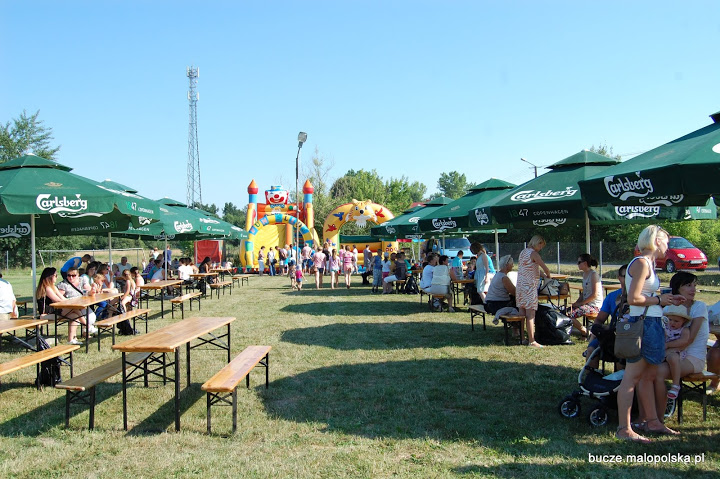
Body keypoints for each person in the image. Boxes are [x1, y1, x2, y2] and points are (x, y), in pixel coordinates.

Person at [616, 225, 685, 443]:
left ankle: (652, 421)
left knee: (649, 376)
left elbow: (644, 295)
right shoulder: (642, 263)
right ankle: (624, 428)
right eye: (666, 241)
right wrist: (659, 300)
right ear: (655, 241)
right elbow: (633, 298)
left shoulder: (648, 263)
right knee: (632, 377)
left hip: (651, 323)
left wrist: (667, 299)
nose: (668, 246)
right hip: (644, 325)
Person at [647, 272, 710, 426]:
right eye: (688, 285)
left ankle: (658, 419)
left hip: (693, 358)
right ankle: (648, 416)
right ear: (677, 288)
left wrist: (666, 347)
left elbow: (688, 339)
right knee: (645, 370)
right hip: (671, 355)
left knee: (658, 372)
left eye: (694, 285)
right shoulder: (668, 307)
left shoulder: (699, 307)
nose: (693, 289)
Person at [582, 264, 629, 370]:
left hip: (630, 338)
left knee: (622, 354)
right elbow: (599, 319)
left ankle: (620, 379)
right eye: (625, 276)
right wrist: (598, 332)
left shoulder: (641, 298)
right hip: (611, 337)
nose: (629, 279)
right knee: (591, 350)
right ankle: (591, 378)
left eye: (632, 276)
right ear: (619, 278)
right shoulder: (612, 296)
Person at [516, 235, 552, 348]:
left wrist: (543, 275)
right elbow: (545, 268)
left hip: (520, 286)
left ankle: (522, 338)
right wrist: (548, 275)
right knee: (530, 314)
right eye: (541, 245)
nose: (541, 248)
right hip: (529, 287)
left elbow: (531, 268)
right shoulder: (534, 254)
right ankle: (532, 341)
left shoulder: (523, 252)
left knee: (522, 314)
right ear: (537, 243)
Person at [51, 267, 96, 344]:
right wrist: (69, 301)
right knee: (77, 314)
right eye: (69, 275)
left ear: (78, 275)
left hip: (80, 306)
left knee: (90, 317)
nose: (71, 277)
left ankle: (78, 335)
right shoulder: (63, 284)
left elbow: (88, 290)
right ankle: (86, 327)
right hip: (66, 308)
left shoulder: (82, 280)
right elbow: (58, 299)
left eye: (73, 275)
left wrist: (92, 290)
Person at [566, 253, 603, 337]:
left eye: (579, 262)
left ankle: (584, 332)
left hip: (594, 306)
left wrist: (580, 303)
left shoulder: (593, 275)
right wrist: (576, 303)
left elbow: (594, 295)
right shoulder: (585, 274)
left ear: (585, 263)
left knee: (570, 315)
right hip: (585, 305)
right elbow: (584, 293)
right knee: (566, 312)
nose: (577, 264)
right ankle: (585, 331)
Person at [662, 304, 692, 400]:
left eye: (676, 321)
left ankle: (675, 384)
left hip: (676, 351)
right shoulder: (665, 327)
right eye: (670, 319)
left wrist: (668, 345)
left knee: (673, 358)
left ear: (684, 321)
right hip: (662, 351)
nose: (672, 323)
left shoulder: (684, 330)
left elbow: (684, 341)